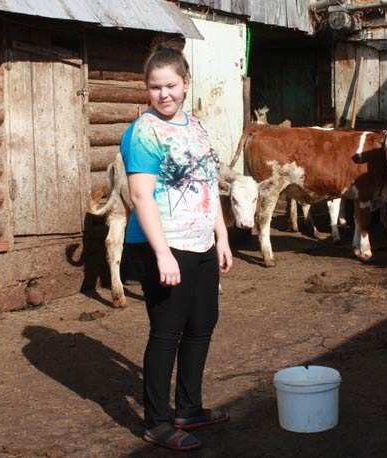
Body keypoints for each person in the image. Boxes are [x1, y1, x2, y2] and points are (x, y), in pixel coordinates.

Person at [121, 46, 233, 451]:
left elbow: (208, 184)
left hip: (201, 240)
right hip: (163, 245)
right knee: (167, 332)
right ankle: (157, 422)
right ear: (147, 90)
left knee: (202, 324)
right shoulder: (144, 132)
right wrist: (163, 253)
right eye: (155, 87)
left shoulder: (197, 127)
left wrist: (221, 235)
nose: (163, 94)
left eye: (170, 85)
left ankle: (189, 408)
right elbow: (141, 196)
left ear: (186, 84)